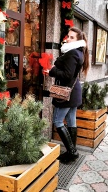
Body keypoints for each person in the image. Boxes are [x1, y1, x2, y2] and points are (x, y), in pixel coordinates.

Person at [43, 27, 89, 164]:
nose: (68, 39)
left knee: (58, 121)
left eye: (71, 37)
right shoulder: (78, 52)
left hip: (66, 93)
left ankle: (72, 152)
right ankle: (71, 152)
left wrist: (52, 71)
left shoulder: (72, 53)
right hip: (73, 93)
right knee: (71, 121)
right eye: (68, 36)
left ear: (78, 40)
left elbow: (67, 75)